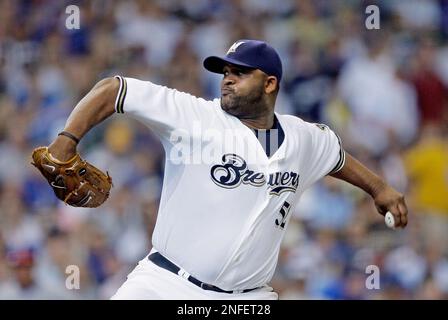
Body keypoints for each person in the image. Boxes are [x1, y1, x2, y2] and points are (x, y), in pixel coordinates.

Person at [47, 39, 408, 299]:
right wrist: (66, 140)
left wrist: (380, 189)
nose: (227, 78)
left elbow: (337, 157)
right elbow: (114, 89)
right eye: (225, 72)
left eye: (240, 72)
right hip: (165, 284)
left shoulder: (303, 138)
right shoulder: (194, 116)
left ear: (270, 84)